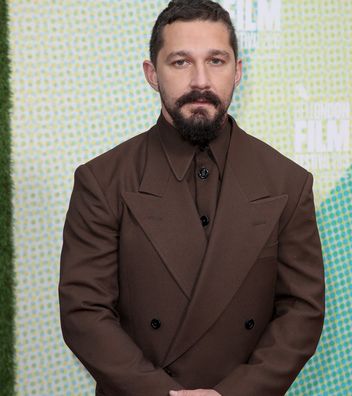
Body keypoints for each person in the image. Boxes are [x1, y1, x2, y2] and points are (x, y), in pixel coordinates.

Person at [58, 1, 325, 395]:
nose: (200, 81)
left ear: (237, 72)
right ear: (152, 74)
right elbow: (84, 313)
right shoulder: (101, 181)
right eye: (180, 62)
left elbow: (302, 310)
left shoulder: (288, 182)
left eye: (216, 61)